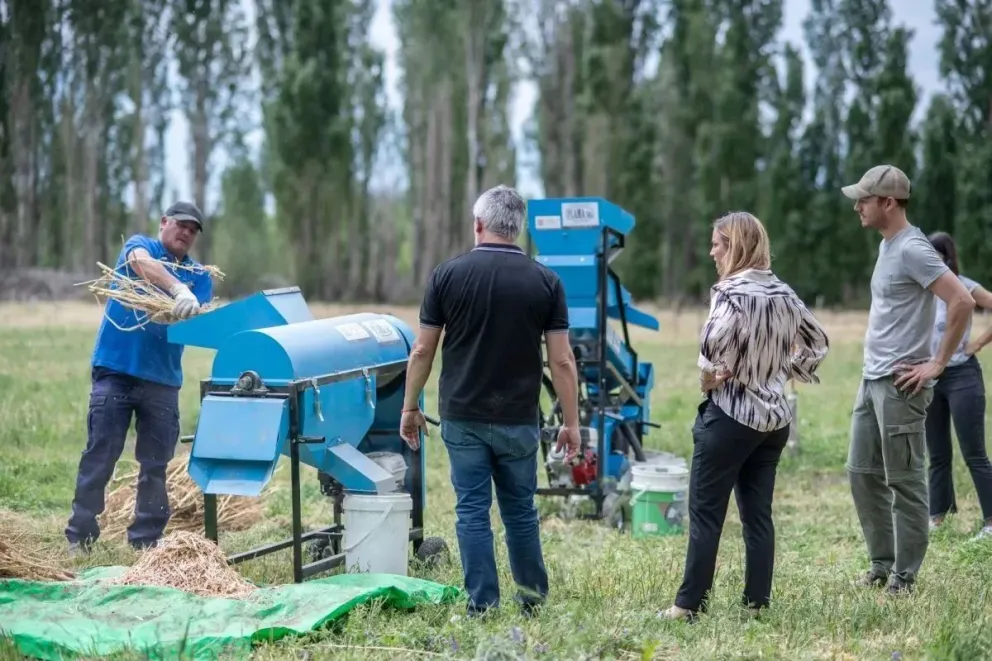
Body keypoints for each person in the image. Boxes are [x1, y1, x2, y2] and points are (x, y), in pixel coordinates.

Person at [398, 185, 581, 617]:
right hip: (519, 418)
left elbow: (422, 351)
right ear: (518, 229)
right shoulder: (546, 281)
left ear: (478, 225)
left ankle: (483, 604)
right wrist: (570, 423)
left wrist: (409, 406)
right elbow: (562, 360)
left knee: (472, 512)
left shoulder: (447, 275)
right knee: (520, 510)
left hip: (463, 417)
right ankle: (532, 601)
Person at [661, 211, 830, 621]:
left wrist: (709, 379)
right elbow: (818, 344)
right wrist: (781, 368)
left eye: (717, 244)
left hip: (731, 416)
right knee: (758, 516)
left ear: (734, 246)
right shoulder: (785, 294)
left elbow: (709, 348)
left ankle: (688, 605)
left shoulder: (731, 293)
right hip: (774, 421)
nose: (712, 252)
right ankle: (756, 605)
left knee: (706, 513)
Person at [841, 165, 975, 594]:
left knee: (904, 481)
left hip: (901, 385)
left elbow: (962, 301)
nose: (857, 206)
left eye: (864, 199)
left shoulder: (914, 249)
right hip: (872, 379)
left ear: (889, 202)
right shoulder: (887, 247)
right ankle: (881, 564)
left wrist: (937, 362)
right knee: (862, 472)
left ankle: (905, 575)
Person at [65, 201, 214, 554]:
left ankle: (146, 542)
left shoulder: (201, 276)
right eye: (181, 225)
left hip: (162, 381)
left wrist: (186, 309)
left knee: (155, 466)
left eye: (193, 230)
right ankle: (80, 536)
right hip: (116, 372)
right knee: (100, 455)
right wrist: (177, 290)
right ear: (164, 223)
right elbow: (139, 264)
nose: (186, 233)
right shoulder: (142, 247)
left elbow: (197, 319)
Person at [924, 231, 992, 540]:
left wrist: (976, 343)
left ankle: (990, 521)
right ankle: (939, 515)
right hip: (931, 377)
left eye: (935, 256)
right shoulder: (923, 288)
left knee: (974, 453)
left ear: (946, 257)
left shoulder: (964, 286)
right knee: (937, 454)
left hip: (962, 375)